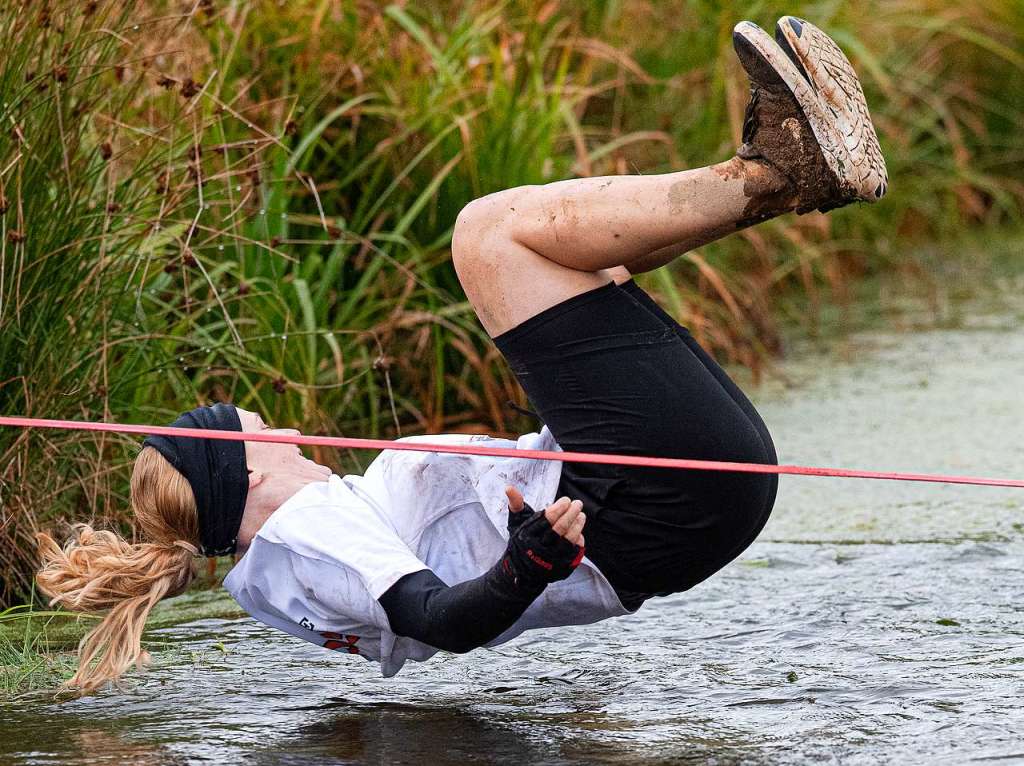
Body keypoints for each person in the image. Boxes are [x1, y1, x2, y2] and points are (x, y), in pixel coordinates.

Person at [36, 17, 886, 693]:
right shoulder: (308, 534)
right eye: (249, 426)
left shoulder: (287, 564)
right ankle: (777, 169)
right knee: (487, 236)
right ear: (243, 469)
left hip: (669, 509)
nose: (270, 422)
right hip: (648, 502)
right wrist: (527, 566)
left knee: (577, 263)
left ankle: (795, 169)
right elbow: (438, 619)